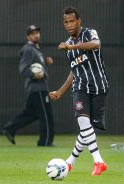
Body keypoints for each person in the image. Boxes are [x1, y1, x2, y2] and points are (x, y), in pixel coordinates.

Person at [49, 7, 109, 176]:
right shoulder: (69, 45)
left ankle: (69, 162)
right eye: (66, 22)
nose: (69, 25)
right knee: (83, 121)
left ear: (79, 21)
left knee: (87, 129)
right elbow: (74, 72)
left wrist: (72, 47)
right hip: (80, 87)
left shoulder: (90, 33)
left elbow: (96, 44)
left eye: (72, 21)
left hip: (99, 87)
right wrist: (60, 92)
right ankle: (99, 161)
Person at [3, 25, 54, 146]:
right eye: (33, 33)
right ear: (28, 36)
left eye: (37, 32)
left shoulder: (36, 50)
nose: (36, 35)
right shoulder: (28, 49)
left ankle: (10, 128)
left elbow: (38, 68)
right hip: (39, 89)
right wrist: (33, 75)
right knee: (46, 116)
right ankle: (45, 142)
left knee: (31, 114)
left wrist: (45, 63)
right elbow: (24, 68)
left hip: (36, 89)